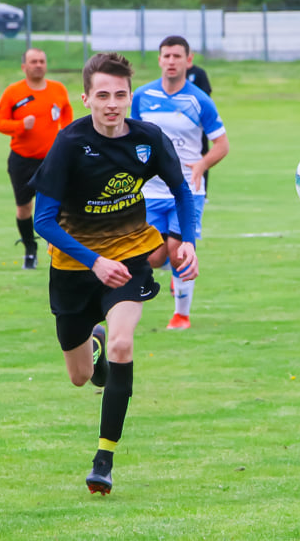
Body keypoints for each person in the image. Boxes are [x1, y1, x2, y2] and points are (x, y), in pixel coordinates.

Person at [30, 52, 199, 495]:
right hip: (74, 269)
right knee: (81, 376)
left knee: (124, 342)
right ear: (85, 98)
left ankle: (103, 459)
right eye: (102, 95)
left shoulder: (148, 139)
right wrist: (93, 261)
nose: (111, 103)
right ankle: (94, 343)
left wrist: (188, 239)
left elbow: (182, 189)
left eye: (120, 94)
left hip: (130, 258)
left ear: (130, 97)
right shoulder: (69, 144)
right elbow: (43, 221)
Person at [131, 35, 229, 330]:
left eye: (177, 56)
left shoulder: (199, 100)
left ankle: (181, 315)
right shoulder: (142, 97)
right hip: (150, 191)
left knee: (179, 250)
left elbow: (222, 145)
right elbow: (133, 138)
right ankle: (173, 272)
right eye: (166, 56)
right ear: (159, 60)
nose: (171, 61)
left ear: (189, 60)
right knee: (152, 257)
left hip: (186, 190)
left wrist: (201, 164)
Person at [0, 48, 74, 269]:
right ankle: (30, 249)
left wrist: (64, 134)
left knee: (57, 207)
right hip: (22, 159)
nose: (38, 65)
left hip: (51, 160)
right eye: (33, 61)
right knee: (24, 208)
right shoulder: (13, 92)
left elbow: (66, 112)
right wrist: (20, 125)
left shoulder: (58, 89)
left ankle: (59, 251)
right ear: (24, 67)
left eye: (41, 61)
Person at [187, 60, 214, 196]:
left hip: (198, 125)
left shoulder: (199, 73)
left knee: (203, 157)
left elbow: (206, 96)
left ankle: (203, 192)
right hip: (182, 126)